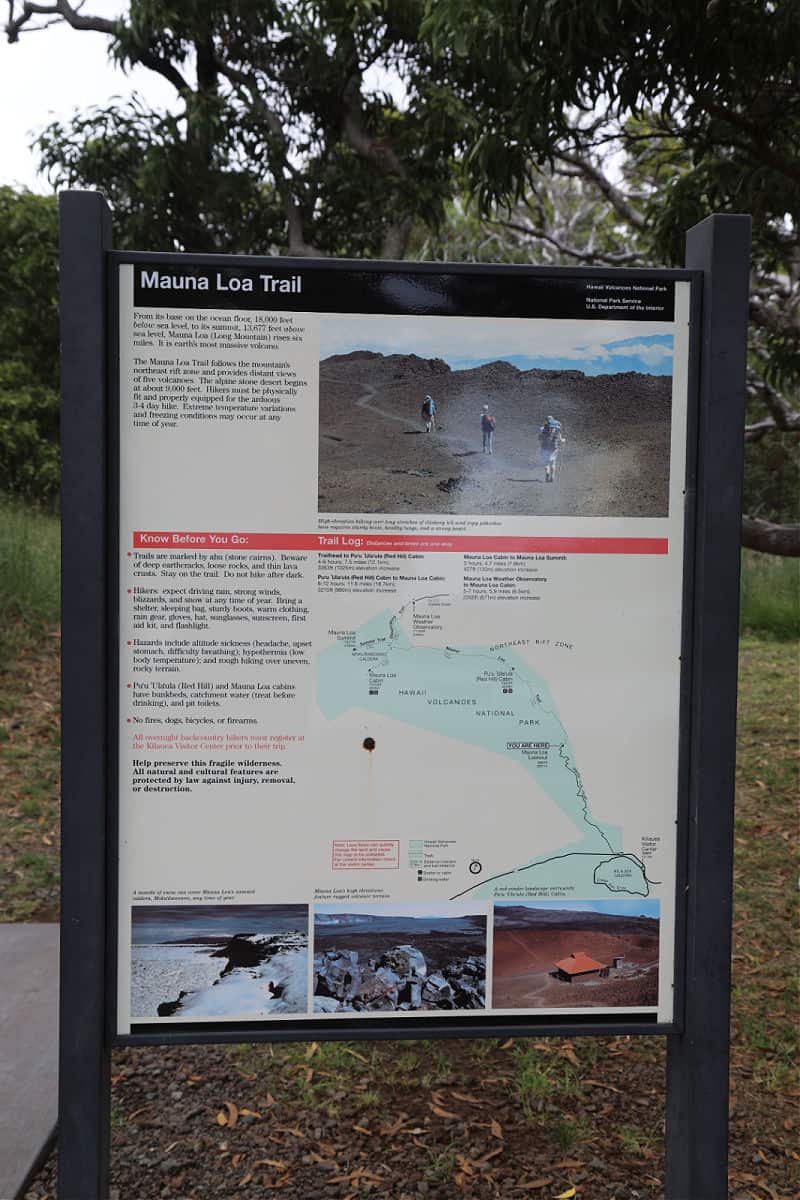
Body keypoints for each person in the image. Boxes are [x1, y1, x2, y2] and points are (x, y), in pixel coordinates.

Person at [538, 415, 565, 481]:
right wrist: (564, 440)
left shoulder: (542, 428)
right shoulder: (557, 429)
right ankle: (552, 476)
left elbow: (539, 438)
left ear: (546, 421)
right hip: (554, 447)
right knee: (553, 462)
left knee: (546, 462)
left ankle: (547, 472)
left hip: (544, 447)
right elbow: (560, 440)